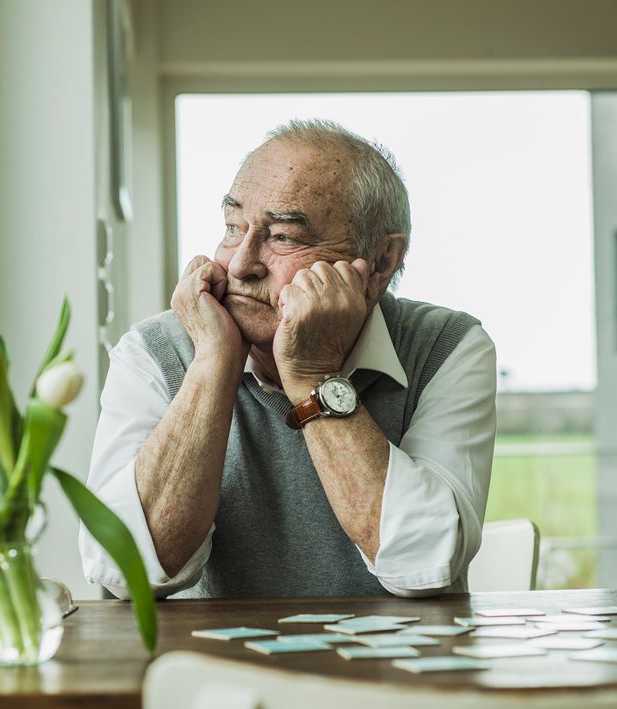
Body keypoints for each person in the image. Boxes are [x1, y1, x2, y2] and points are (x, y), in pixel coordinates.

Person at [80, 119, 496, 599]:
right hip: (209, 673)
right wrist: (213, 363)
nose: (240, 264)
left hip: (395, 670)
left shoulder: (447, 347)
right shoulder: (152, 351)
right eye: (234, 228)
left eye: (283, 237)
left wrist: (315, 375)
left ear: (381, 261)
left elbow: (425, 565)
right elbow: (124, 570)